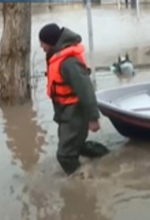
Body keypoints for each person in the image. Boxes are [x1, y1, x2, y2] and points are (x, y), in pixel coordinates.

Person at [39, 23, 105, 176]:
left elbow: (86, 91)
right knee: (75, 147)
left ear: (51, 42)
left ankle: (81, 181)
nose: (41, 46)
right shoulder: (56, 56)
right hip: (65, 113)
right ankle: (107, 159)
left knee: (65, 155)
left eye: (43, 42)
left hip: (75, 113)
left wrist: (93, 118)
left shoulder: (68, 63)